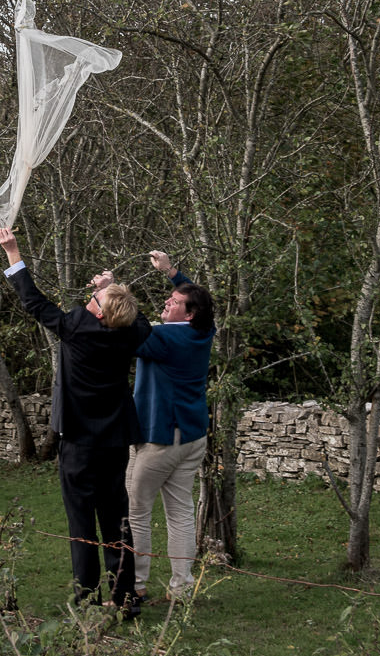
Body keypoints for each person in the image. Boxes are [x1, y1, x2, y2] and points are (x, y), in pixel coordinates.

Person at [0, 226, 150, 617]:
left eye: (94, 296)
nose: (90, 295)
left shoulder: (76, 330)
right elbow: (140, 323)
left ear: (97, 311)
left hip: (78, 442)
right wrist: (116, 289)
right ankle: (124, 596)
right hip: (114, 441)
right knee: (116, 518)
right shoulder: (129, 336)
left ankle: (88, 599)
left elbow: (33, 302)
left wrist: (13, 252)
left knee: (81, 520)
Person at [127, 250, 215, 604]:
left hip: (161, 439)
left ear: (188, 314)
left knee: (136, 509)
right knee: (180, 512)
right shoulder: (203, 330)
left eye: (174, 302)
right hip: (192, 438)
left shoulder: (166, 339)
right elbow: (198, 299)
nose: (167, 301)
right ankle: (181, 588)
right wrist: (172, 272)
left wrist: (110, 292)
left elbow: (131, 328)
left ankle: (135, 584)